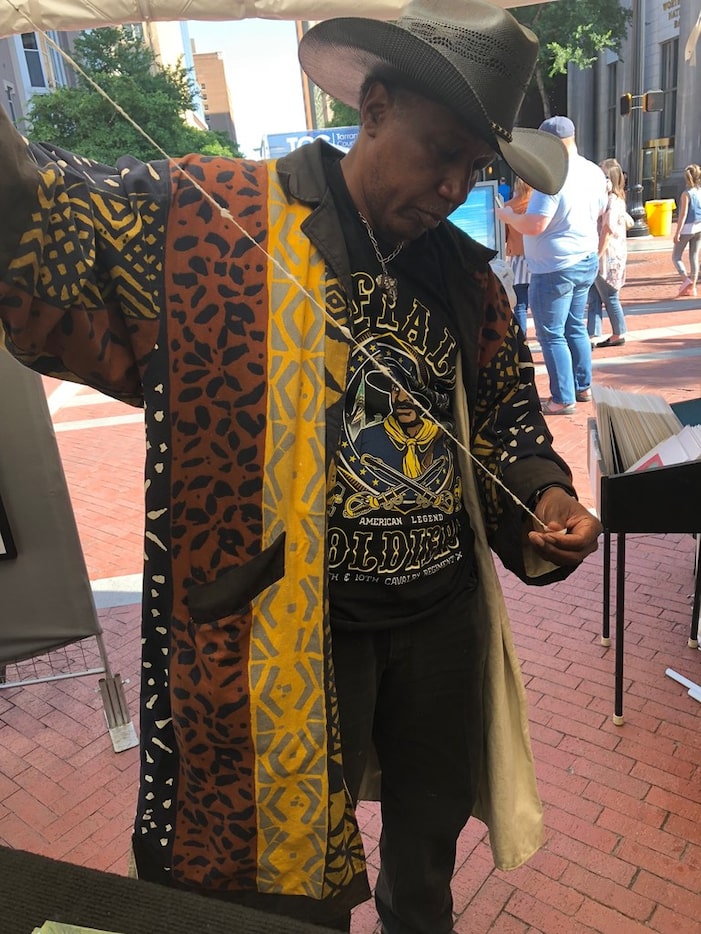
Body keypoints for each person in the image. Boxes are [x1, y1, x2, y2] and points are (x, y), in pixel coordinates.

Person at [0, 2, 602, 932]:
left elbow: (505, 424)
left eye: (471, 168)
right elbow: (38, 221)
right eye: (434, 149)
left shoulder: (464, 275)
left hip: (439, 621)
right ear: (372, 106)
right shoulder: (205, 218)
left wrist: (549, 496)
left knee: (427, 851)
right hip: (274, 629)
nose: (450, 185)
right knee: (274, 881)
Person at [497, 116, 607, 415]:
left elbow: (535, 224)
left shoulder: (551, 175)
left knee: (551, 333)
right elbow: (600, 210)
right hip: (584, 259)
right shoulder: (593, 171)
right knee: (575, 327)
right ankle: (582, 387)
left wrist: (508, 218)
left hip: (554, 267)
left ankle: (562, 398)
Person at [588, 158, 632, 348]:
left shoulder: (613, 202)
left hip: (608, 256)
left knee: (609, 296)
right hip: (609, 254)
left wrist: (596, 256)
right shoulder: (612, 199)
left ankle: (618, 332)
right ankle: (593, 333)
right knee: (595, 295)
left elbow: (607, 231)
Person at [502, 176, 534, 338]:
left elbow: (504, 236)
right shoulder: (536, 205)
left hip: (517, 258)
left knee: (520, 303)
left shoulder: (509, 207)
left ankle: (522, 337)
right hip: (538, 257)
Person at [672, 163, 701, 297]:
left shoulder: (686, 194)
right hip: (699, 226)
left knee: (676, 256)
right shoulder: (699, 191)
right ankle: (693, 287)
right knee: (694, 256)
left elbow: (683, 215)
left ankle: (686, 280)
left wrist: (677, 232)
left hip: (688, 228)